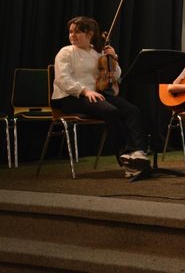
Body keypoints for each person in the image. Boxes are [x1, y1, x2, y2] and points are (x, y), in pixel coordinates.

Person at [51, 16, 150, 177]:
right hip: (69, 97)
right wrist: (84, 91)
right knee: (110, 111)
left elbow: (115, 76)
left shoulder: (97, 52)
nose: (72, 35)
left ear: (89, 34)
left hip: (95, 94)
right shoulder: (66, 52)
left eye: (77, 32)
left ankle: (137, 152)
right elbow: (63, 79)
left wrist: (113, 58)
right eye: (70, 32)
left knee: (132, 110)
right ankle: (125, 154)